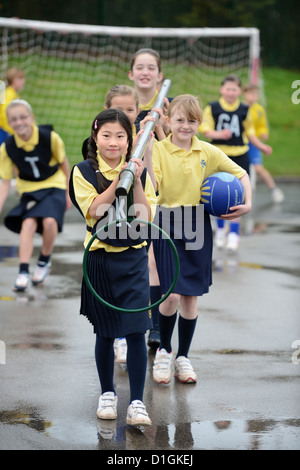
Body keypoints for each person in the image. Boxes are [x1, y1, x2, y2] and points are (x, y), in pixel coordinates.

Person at [150, 94, 252, 385]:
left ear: (199, 123)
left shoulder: (207, 151)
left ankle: (183, 356)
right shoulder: (158, 150)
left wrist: (248, 203)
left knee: (191, 298)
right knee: (171, 294)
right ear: (168, 121)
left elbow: (241, 173)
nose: (185, 126)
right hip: (167, 223)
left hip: (197, 225)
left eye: (192, 121)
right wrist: (147, 151)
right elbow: (154, 186)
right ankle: (164, 351)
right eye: (180, 120)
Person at [69, 108, 156, 426]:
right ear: (95, 137)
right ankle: (107, 393)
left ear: (129, 140)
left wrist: (135, 177)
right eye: (106, 135)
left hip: (132, 258)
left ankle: (136, 402)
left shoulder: (143, 170)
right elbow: (94, 209)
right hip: (100, 259)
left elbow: (146, 219)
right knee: (105, 332)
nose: (113, 142)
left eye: (120, 136)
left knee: (136, 331)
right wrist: (120, 178)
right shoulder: (82, 171)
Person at [103, 84, 164, 362]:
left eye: (131, 110)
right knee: (112, 286)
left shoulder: (143, 138)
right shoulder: (105, 140)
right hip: (109, 220)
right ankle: (116, 336)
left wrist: (150, 140)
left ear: (138, 111)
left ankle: (135, 333)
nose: (126, 115)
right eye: (119, 110)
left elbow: (153, 180)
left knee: (139, 278)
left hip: (138, 217)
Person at [0, 99, 72, 291]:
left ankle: (43, 262)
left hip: (54, 186)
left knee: (49, 221)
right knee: (28, 223)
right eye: (14, 119)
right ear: (9, 123)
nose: (19, 122)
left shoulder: (50, 137)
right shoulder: (7, 148)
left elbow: (65, 165)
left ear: (31, 117)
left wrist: (69, 193)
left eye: (23, 117)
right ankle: (23, 271)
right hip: (29, 190)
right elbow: (5, 183)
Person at [199, 74, 272, 252]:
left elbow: (251, 132)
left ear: (240, 91)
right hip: (218, 155)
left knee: (237, 195)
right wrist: (218, 135)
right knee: (217, 194)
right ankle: (221, 231)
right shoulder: (213, 107)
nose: (231, 92)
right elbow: (204, 128)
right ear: (221, 90)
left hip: (239, 155)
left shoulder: (245, 110)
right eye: (228, 88)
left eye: (234, 89)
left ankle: (233, 234)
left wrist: (261, 146)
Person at [128, 47, 170, 349]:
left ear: (159, 74)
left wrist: (161, 123)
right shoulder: (123, 105)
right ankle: (126, 325)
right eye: (139, 67)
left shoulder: (165, 107)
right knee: (131, 259)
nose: (145, 72)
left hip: (155, 190)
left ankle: (154, 326)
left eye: (150, 67)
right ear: (131, 73)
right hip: (127, 190)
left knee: (154, 259)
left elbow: (172, 150)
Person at [243, 83, 284, 204]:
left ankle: (273, 189)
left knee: (258, 168)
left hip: (254, 143)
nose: (253, 96)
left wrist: (263, 133)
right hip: (241, 143)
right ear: (244, 94)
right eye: (251, 94)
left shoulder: (259, 110)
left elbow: (262, 125)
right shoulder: (240, 107)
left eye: (255, 94)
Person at [0, 67, 26, 145]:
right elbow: (4, 115)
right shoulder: (8, 95)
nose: (23, 81)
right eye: (20, 79)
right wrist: (13, 131)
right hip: (4, 132)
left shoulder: (14, 95)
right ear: (14, 80)